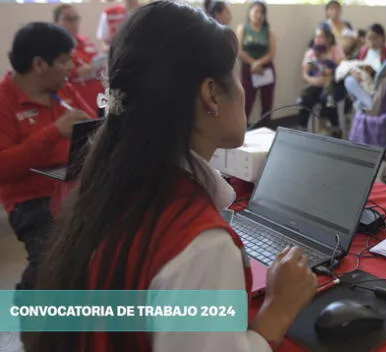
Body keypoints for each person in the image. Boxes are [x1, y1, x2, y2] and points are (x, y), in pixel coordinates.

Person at [23, 2, 317, 352]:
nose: (241, 90)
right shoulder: (200, 245)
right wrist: (278, 310)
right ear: (211, 94)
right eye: (235, 76)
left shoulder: (109, 185)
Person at [0, 23, 94, 291]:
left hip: (75, 190)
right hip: (32, 202)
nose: (71, 66)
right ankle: (34, 301)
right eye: (64, 60)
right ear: (40, 64)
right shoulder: (4, 102)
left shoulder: (63, 90)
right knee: (55, 262)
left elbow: (93, 127)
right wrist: (53, 133)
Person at [54, 4, 104, 115]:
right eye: (68, 19)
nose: (73, 23)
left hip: (97, 102)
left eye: (75, 18)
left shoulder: (85, 41)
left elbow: (96, 63)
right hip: (74, 106)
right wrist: (76, 72)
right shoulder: (53, 48)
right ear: (56, 22)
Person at [297, 26, 344, 137]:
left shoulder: (335, 50)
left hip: (333, 84)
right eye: (316, 37)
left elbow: (342, 69)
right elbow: (305, 75)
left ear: (328, 39)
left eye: (321, 37)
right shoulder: (311, 53)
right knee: (305, 97)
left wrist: (330, 74)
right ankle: (301, 129)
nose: (317, 39)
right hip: (316, 84)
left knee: (327, 97)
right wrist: (314, 81)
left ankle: (334, 128)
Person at [236, 1, 276, 125]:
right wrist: (253, 63)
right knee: (246, 102)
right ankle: (243, 130)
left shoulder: (269, 32)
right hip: (249, 69)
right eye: (256, 11)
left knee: (267, 103)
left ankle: (266, 127)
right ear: (250, 12)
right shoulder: (243, 28)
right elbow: (239, 50)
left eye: (262, 12)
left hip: (266, 70)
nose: (259, 15)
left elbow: (271, 53)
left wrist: (258, 63)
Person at [343, 23, 386, 112]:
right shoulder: (363, 52)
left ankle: (368, 105)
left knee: (359, 105)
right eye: (369, 38)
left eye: (375, 38)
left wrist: (372, 72)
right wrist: (353, 72)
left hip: (378, 86)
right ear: (365, 40)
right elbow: (353, 65)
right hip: (363, 86)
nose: (372, 42)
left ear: (383, 38)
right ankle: (371, 105)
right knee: (349, 80)